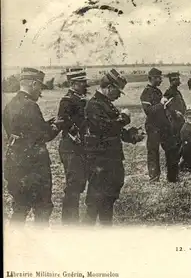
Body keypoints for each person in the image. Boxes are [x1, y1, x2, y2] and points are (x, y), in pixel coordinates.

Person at [83, 69, 144, 226]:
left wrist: (132, 136)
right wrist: (124, 118)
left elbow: (116, 130)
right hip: (100, 161)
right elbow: (105, 128)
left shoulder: (105, 104)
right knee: (95, 202)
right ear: (109, 87)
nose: (118, 95)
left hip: (110, 160)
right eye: (118, 91)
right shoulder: (94, 105)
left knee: (108, 199)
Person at [3, 68, 61, 225]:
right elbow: (43, 136)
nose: (40, 92)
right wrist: (57, 126)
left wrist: (45, 125)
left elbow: (21, 131)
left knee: (20, 208)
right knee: (42, 208)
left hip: (15, 164)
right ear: (34, 84)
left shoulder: (10, 105)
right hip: (34, 168)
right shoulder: (30, 106)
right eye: (40, 87)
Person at [56, 67, 90, 225]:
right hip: (71, 148)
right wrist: (75, 134)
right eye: (82, 82)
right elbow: (63, 122)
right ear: (73, 83)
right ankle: (69, 222)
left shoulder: (79, 99)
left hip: (78, 147)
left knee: (78, 183)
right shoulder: (67, 100)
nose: (85, 85)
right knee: (74, 185)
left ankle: (72, 220)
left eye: (84, 82)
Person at [140, 67, 169, 183]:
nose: (160, 80)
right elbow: (148, 111)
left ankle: (171, 174)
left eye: (160, 77)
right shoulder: (146, 93)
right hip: (153, 127)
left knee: (169, 148)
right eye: (158, 78)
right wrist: (161, 104)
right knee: (153, 151)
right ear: (151, 78)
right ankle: (154, 177)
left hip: (162, 125)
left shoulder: (157, 91)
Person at [162, 72, 187, 182]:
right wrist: (174, 113)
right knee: (175, 144)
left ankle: (175, 165)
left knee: (179, 142)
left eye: (178, 79)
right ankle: (172, 166)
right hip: (174, 122)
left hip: (180, 120)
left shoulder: (176, 92)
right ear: (172, 81)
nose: (178, 81)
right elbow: (165, 105)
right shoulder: (169, 92)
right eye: (176, 79)